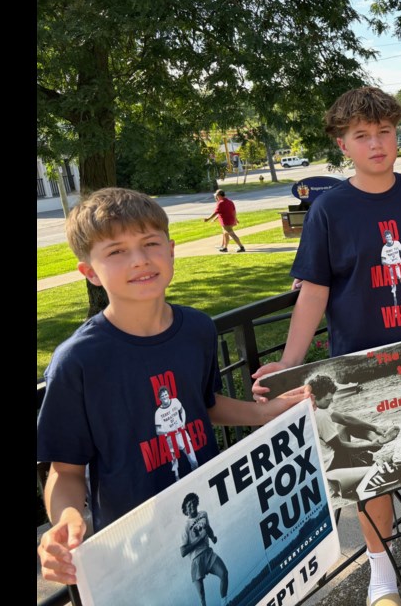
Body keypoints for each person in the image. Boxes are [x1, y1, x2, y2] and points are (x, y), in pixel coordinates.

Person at [251, 87, 401, 606]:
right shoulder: (329, 210)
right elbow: (313, 291)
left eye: (384, 132)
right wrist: (289, 365)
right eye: (362, 135)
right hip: (357, 366)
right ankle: (381, 577)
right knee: (371, 479)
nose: (377, 144)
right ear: (343, 144)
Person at [36, 187, 306, 586]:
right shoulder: (77, 361)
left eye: (150, 244)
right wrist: (68, 519)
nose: (140, 260)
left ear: (171, 249)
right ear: (89, 272)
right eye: (116, 251)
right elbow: (66, 469)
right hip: (137, 547)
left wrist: (265, 412)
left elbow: (205, 403)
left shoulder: (197, 328)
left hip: (212, 514)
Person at [309, 374, 401, 501]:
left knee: (344, 426)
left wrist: (374, 427)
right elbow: (340, 447)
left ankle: (375, 437)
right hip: (333, 466)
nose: (331, 401)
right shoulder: (320, 416)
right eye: (328, 399)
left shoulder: (314, 406)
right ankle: (372, 445)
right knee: (372, 464)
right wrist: (369, 446)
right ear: (316, 397)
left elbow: (345, 419)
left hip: (326, 460)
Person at [180, 492, 228, 606]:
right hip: (196, 560)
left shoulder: (203, 514)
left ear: (197, 502)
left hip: (208, 553)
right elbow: (182, 552)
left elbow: (208, 528)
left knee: (224, 573)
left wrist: (212, 537)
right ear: (186, 510)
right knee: (202, 595)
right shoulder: (185, 527)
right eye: (189, 505)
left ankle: (224, 603)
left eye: (193, 503)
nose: (192, 506)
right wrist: (199, 540)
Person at [155, 385, 199, 481]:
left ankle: (197, 476)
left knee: (194, 460)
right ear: (159, 398)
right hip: (170, 438)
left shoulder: (175, 401)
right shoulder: (158, 413)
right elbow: (158, 431)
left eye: (166, 395)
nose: (165, 397)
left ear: (168, 395)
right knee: (175, 466)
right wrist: (168, 430)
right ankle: (177, 480)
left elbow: (182, 411)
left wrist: (183, 422)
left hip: (181, 434)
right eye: (162, 396)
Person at [381, 229, 401, 306]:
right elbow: (382, 261)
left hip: (399, 267)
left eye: (390, 236)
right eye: (387, 237)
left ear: (392, 237)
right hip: (391, 270)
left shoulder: (397, 243)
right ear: (385, 238)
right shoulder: (384, 248)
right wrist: (388, 263)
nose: (389, 238)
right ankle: (395, 306)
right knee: (394, 291)